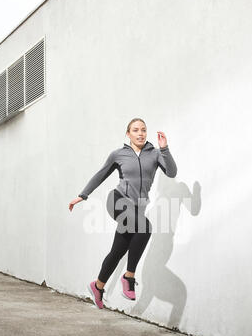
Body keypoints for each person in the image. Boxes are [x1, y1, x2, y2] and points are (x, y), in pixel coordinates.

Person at [68, 118, 177, 308]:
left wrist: (165, 149)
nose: (140, 133)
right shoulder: (118, 155)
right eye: (135, 130)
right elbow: (100, 174)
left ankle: (98, 286)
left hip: (137, 207)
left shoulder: (155, 154)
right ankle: (129, 277)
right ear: (128, 134)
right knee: (144, 227)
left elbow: (172, 172)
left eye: (143, 130)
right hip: (118, 200)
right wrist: (82, 195)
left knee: (117, 251)